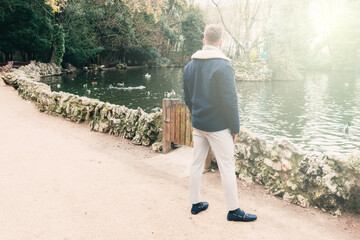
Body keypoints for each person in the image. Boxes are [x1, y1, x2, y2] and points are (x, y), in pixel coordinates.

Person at [183, 24, 257, 222]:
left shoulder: (190, 66)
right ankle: (233, 210)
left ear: (204, 41)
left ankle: (195, 203)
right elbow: (230, 101)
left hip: (198, 124)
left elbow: (187, 98)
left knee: (196, 163)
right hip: (217, 127)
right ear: (221, 42)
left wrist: (196, 115)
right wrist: (235, 128)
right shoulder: (223, 65)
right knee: (226, 166)